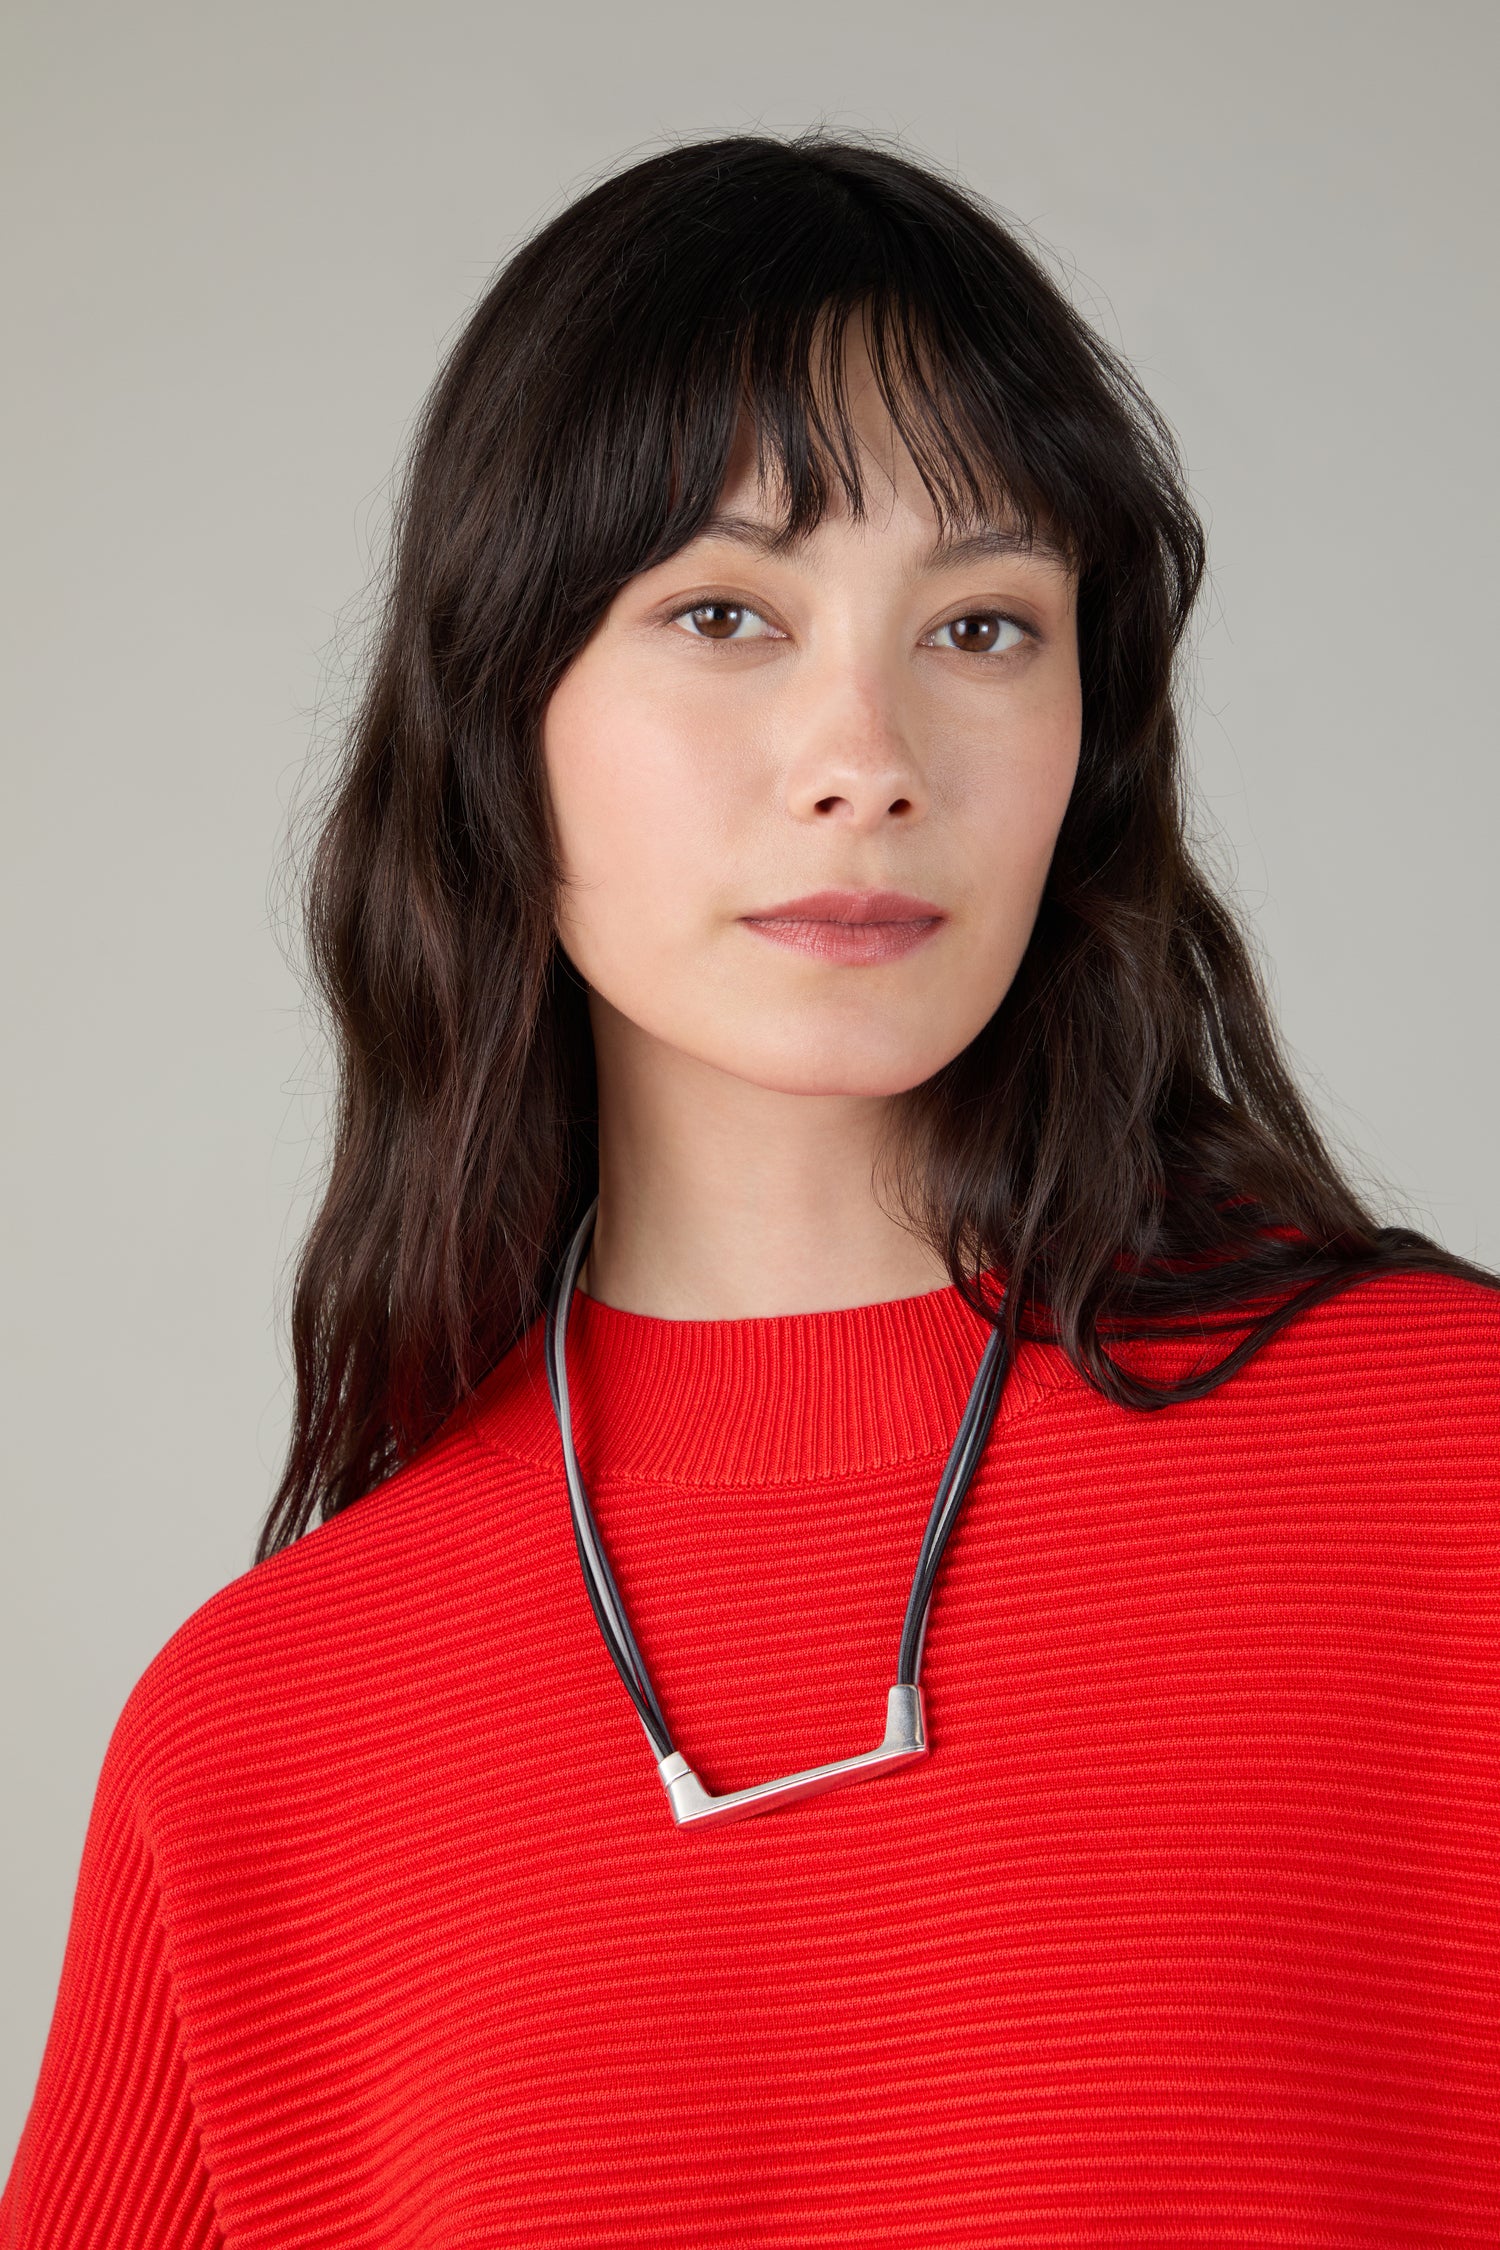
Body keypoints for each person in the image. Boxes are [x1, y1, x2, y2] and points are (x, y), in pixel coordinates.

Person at [5, 130, 1498, 2246]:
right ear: (501, 719)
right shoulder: (256, 1752)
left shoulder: (1463, 1486)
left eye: (983, 625)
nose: (865, 749)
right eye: (723, 609)